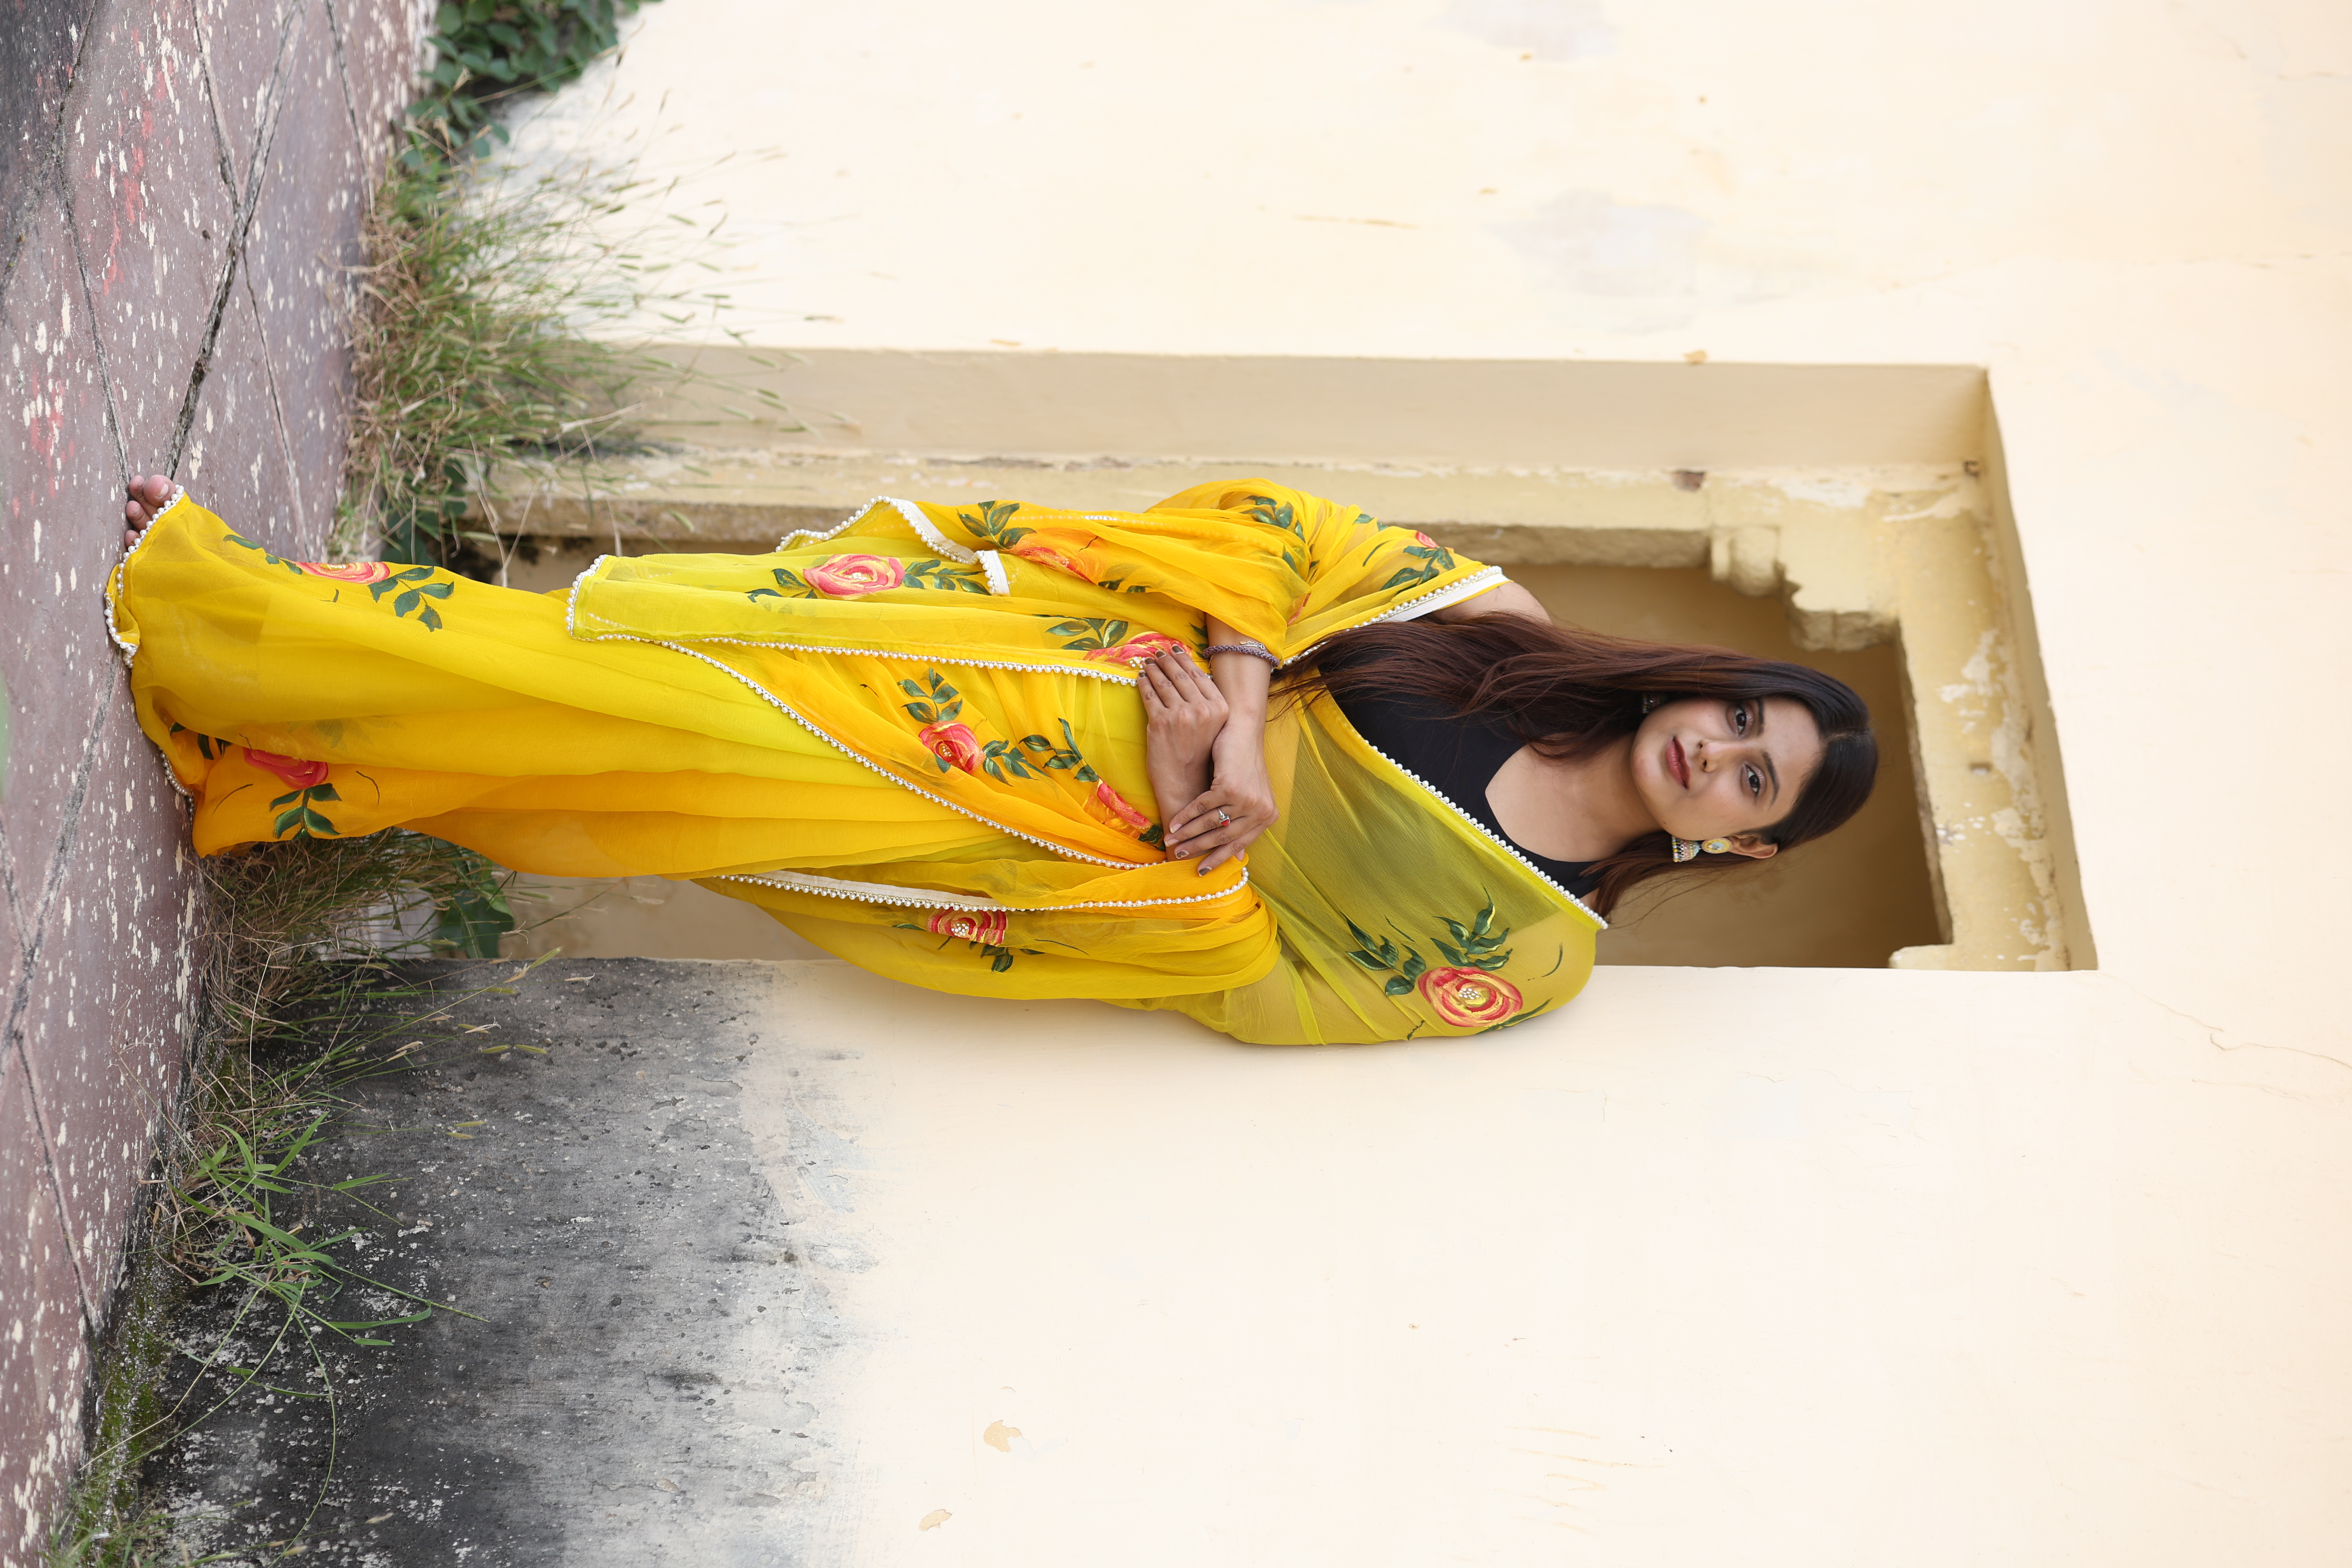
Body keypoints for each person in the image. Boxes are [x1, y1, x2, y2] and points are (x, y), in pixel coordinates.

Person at [109, 472, 1874, 1045]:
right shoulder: (1503, 624)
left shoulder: (1533, 956)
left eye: (1754, 776)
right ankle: (245, 613)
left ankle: (292, 761)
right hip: (980, 668)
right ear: (1707, 680)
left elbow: (1273, 994)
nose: (1718, 748)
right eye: (1741, 712)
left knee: (662, 778)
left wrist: (1204, 833)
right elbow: (1275, 525)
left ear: (1744, 846)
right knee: (657, 661)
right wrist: (1244, 699)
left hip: (1033, 841)